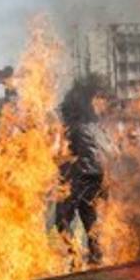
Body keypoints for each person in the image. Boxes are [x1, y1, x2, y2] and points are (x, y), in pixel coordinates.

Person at [56, 79, 110, 261]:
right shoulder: (97, 129)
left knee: (62, 220)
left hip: (77, 181)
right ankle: (96, 255)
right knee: (90, 220)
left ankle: (75, 254)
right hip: (95, 181)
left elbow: (62, 156)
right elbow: (112, 154)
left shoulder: (74, 130)